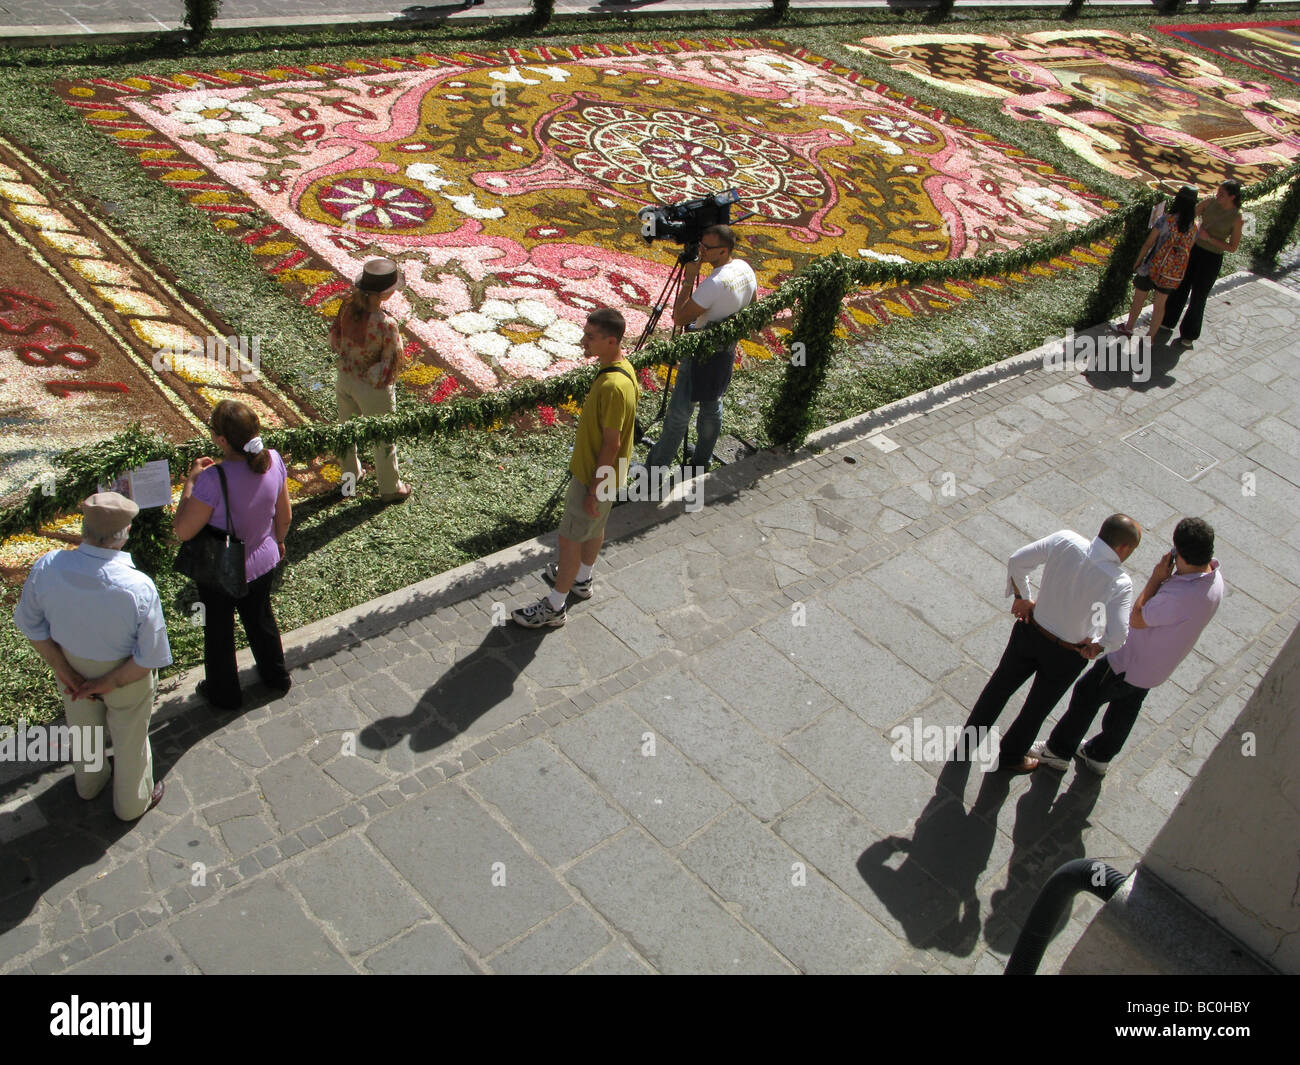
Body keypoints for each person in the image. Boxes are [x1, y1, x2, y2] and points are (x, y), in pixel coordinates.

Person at [13, 492, 170, 819]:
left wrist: (64, 669)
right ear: (124, 534)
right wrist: (108, 682)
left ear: (83, 528)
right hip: (126, 677)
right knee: (130, 739)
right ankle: (131, 804)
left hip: (71, 666)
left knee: (83, 729)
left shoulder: (48, 566)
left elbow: (30, 625)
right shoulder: (138, 586)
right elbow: (149, 657)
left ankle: (89, 784)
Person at [1031, 517, 1222, 776]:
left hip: (1128, 662)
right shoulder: (1215, 580)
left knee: (1087, 694)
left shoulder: (1181, 596)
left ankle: (1057, 751)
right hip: (1155, 669)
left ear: (1181, 555)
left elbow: (1137, 618)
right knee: (1126, 708)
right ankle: (1100, 755)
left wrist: (1156, 579)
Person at [964, 515, 1141, 773]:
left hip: (1030, 631)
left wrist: (1022, 596)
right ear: (1124, 548)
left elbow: (1017, 561)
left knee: (999, 687)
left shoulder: (1065, 540)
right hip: (1067, 654)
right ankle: (1011, 756)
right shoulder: (1120, 583)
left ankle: (967, 743)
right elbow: (1118, 634)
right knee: (1036, 708)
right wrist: (1098, 646)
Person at [512, 308, 638, 628]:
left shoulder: (612, 385)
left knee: (569, 541)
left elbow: (611, 442)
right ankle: (583, 580)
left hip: (593, 476)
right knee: (593, 529)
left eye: (591, 337)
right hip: (608, 475)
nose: (584, 341)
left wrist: (593, 490)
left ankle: (555, 607)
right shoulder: (622, 369)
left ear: (611, 341)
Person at [173, 399, 292, 711]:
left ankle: (224, 694)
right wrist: (278, 542)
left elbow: (183, 531)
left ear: (222, 440)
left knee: (219, 632)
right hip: (264, 560)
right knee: (261, 620)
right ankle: (276, 677)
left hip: (222, 570)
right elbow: (285, 516)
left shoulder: (213, 479)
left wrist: (191, 481)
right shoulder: (274, 460)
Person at [644, 224, 756, 478]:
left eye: (707, 248)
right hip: (725, 350)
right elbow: (754, 305)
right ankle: (700, 462)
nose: (701, 251)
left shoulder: (714, 283)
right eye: (701, 244)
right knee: (712, 404)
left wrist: (689, 279)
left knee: (679, 415)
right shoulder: (745, 269)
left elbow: (680, 318)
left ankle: (654, 471)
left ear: (724, 250)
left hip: (699, 352)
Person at [330, 257, 412, 503]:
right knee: (383, 437)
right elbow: (392, 362)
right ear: (385, 295)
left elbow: (335, 340)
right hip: (372, 388)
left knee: (346, 432)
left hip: (345, 378)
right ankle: (390, 488)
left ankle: (350, 478)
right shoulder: (387, 324)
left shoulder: (346, 307)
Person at [1157, 180, 1244, 348]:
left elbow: (1233, 247)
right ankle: (1167, 321)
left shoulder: (1237, 217)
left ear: (1232, 197)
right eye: (1218, 192)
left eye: (1222, 194)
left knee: (1199, 296)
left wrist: (1209, 238)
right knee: (1181, 285)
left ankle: (1189, 333)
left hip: (1212, 258)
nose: (1218, 196)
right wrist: (1195, 226)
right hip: (1194, 250)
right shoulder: (1210, 202)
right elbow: (1190, 215)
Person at [1118, 186, 1198, 340]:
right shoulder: (1193, 228)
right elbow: (1188, 249)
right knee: (1160, 306)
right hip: (1170, 273)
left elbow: (1148, 243)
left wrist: (1138, 262)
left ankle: (1129, 328)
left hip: (1150, 267)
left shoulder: (1166, 220)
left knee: (1139, 298)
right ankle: (1151, 337)